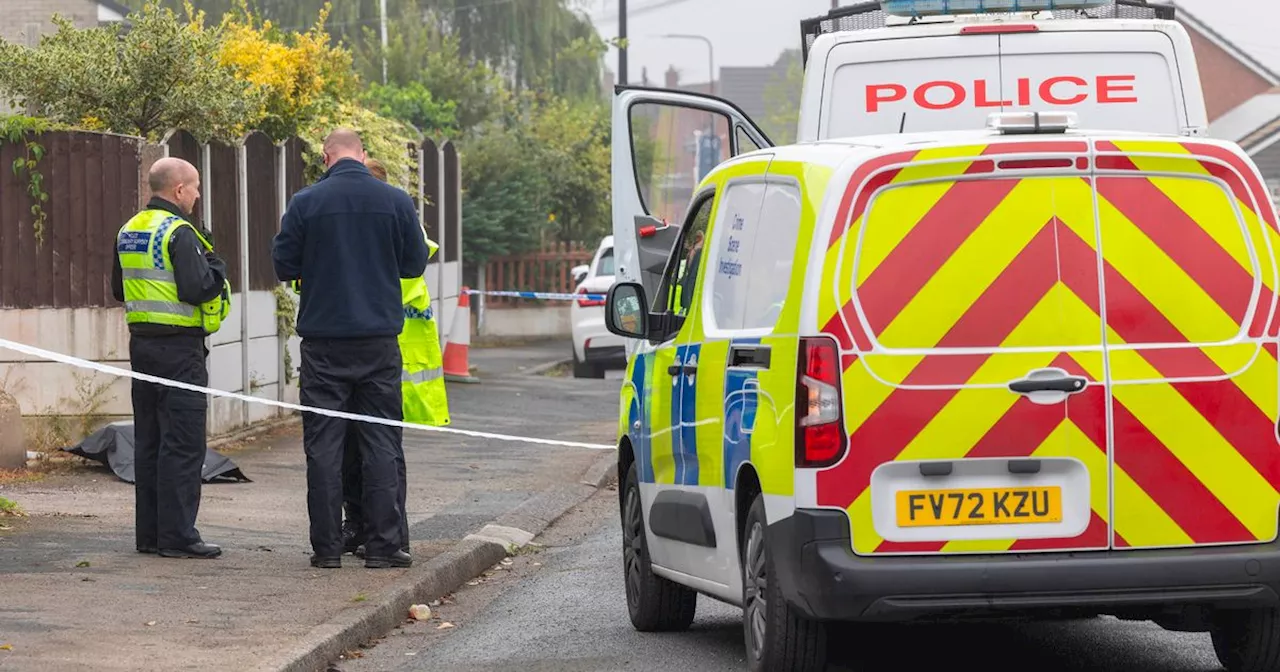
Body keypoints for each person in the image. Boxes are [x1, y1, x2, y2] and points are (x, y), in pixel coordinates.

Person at [271, 130, 430, 570]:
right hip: (378, 341)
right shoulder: (396, 201)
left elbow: (284, 265)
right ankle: (382, 547)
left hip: (323, 344)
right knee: (381, 440)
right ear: (362, 155)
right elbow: (415, 263)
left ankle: (326, 549)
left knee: (324, 446)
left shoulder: (305, 202)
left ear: (326, 157)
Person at [111, 157, 231, 560]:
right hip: (180, 351)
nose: (198, 195)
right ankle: (178, 536)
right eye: (195, 187)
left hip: (142, 347)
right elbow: (198, 289)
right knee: (182, 443)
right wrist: (217, 265)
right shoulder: (180, 232)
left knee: (149, 442)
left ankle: (150, 535)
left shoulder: (129, 229)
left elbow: (117, 288)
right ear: (179, 190)